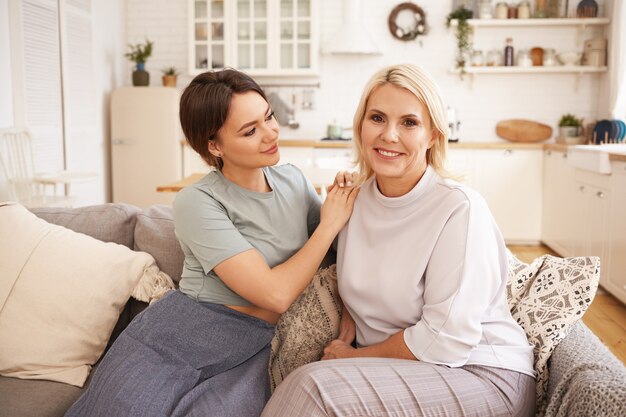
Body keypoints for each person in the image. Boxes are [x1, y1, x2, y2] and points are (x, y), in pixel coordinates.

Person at [65, 68, 357, 417]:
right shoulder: (197, 202)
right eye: (250, 131)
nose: (270, 134)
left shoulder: (293, 180)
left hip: (260, 340)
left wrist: (346, 201)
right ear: (214, 145)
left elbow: (334, 248)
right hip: (183, 331)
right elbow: (275, 293)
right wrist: (329, 224)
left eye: (269, 117)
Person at [261, 64, 536, 417]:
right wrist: (349, 318)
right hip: (406, 370)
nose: (389, 135)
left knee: (313, 388)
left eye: (409, 122)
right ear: (360, 126)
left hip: (481, 373)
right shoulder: (352, 203)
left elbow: (447, 341)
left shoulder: (459, 209)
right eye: (377, 118)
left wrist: (354, 358)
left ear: (434, 135)